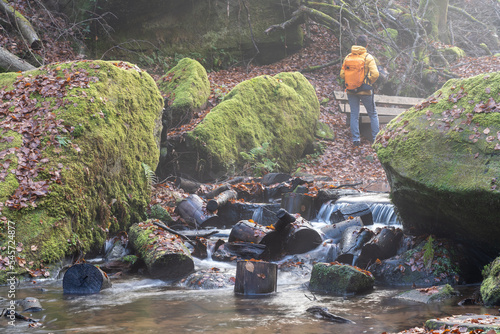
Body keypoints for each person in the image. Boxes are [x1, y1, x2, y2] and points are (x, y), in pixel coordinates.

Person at [340, 35, 380, 146]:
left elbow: (342, 74)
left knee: (354, 114)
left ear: (356, 43)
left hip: (351, 90)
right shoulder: (368, 57)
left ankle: (356, 140)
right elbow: (376, 74)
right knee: (372, 114)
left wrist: (351, 80)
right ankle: (376, 139)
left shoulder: (348, 56)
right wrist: (368, 80)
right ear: (366, 45)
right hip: (365, 90)